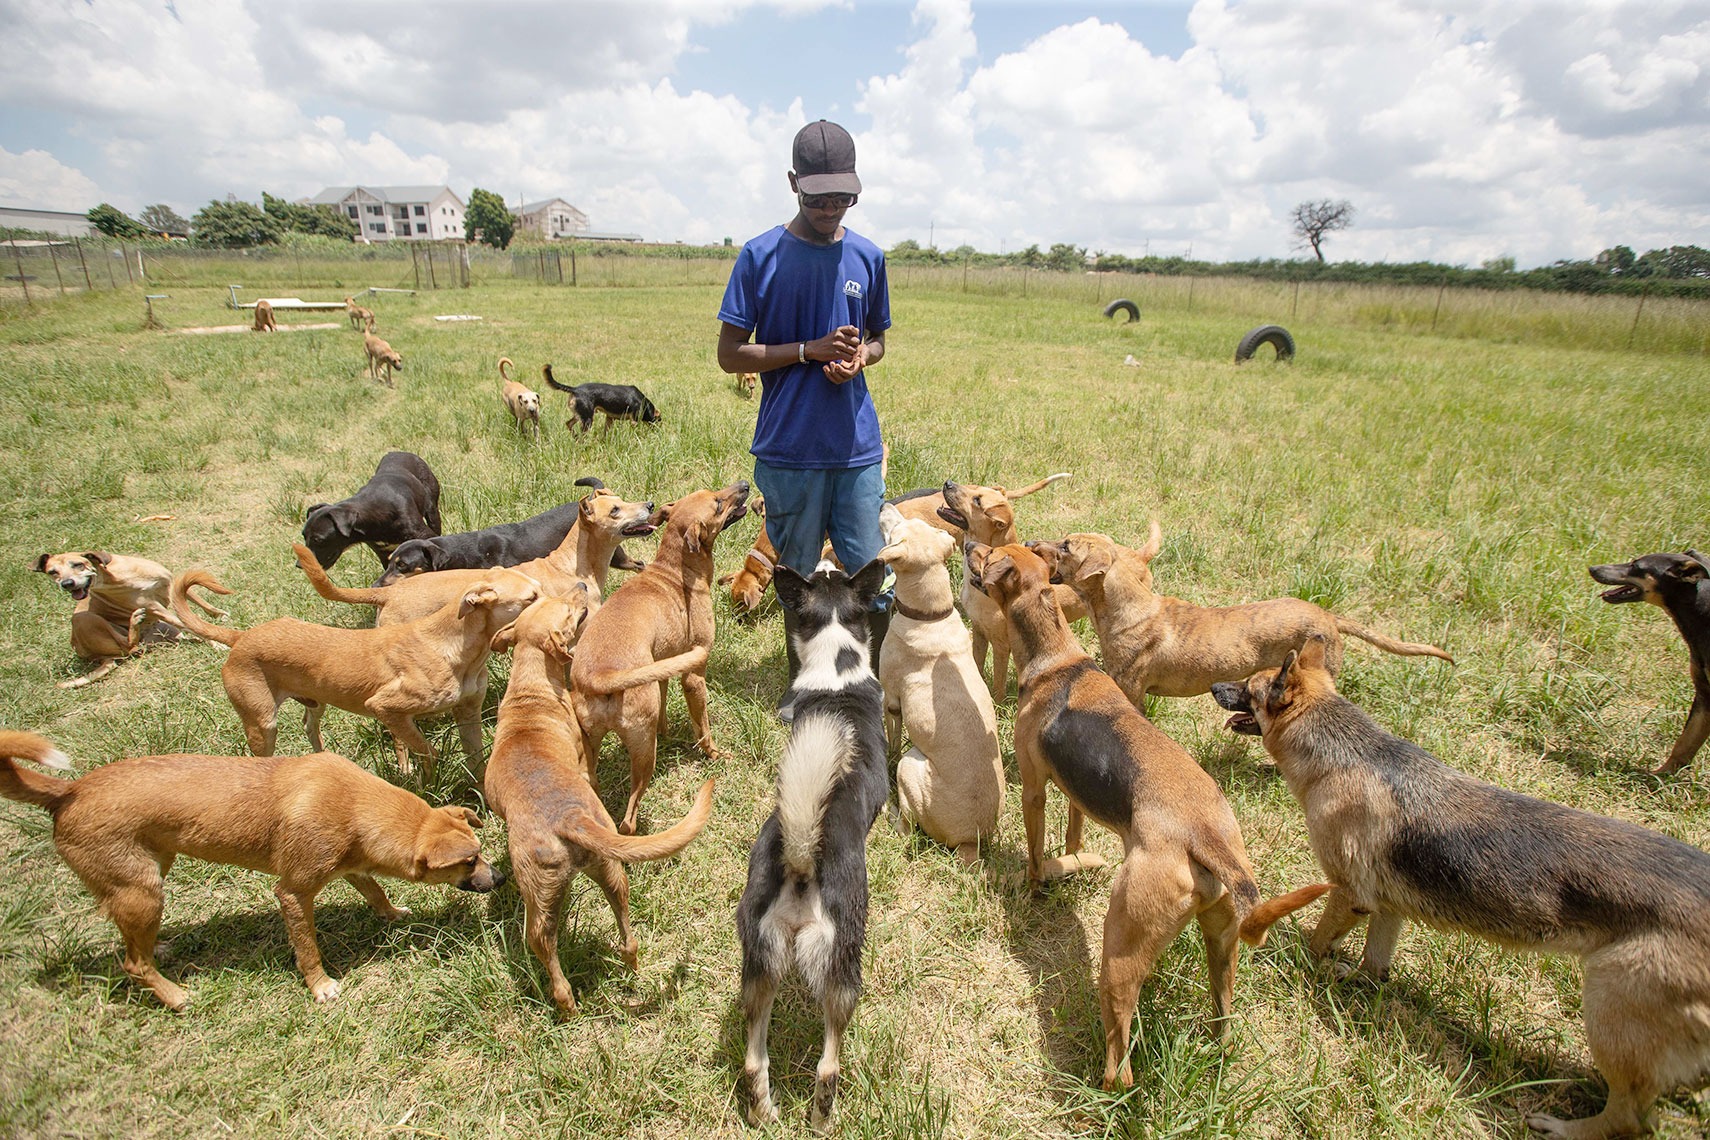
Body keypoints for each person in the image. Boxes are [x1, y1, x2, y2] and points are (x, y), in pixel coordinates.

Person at [716, 119, 892, 719]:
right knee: (795, 579)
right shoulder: (760, 256)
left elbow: (878, 344)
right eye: (817, 196)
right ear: (793, 183)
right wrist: (805, 350)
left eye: (842, 196)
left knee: (871, 576)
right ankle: (804, 691)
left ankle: (872, 687)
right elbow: (729, 355)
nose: (830, 207)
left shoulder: (867, 257)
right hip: (789, 448)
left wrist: (853, 358)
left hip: (855, 448)